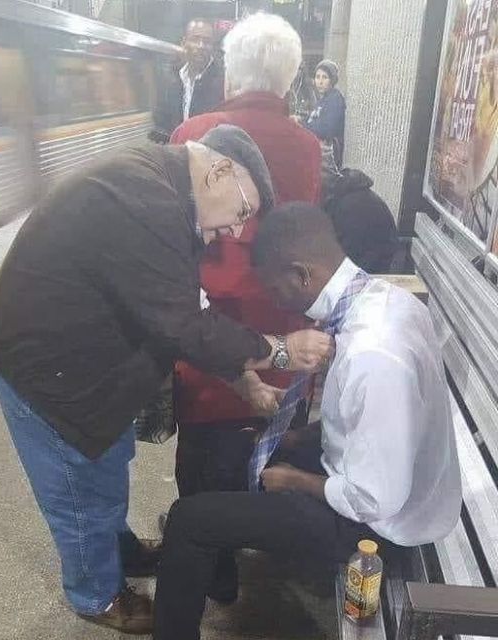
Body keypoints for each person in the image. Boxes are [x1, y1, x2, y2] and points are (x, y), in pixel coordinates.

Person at [0, 127, 332, 635]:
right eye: (241, 213)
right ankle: (95, 595)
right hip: (46, 370)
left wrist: (245, 382)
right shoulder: (144, 200)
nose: (236, 232)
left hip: (89, 360)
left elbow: (186, 308)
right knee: (78, 485)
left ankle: (117, 546)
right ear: (219, 171)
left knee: (109, 460)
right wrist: (278, 349)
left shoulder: (164, 191)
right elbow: (183, 325)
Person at [153, 203, 462, 640]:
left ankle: (188, 584)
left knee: (187, 519)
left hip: (377, 528)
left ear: (301, 275)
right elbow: (362, 421)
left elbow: (374, 499)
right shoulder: (382, 299)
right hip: (371, 475)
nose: (273, 301)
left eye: (273, 288)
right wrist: (298, 436)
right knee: (228, 449)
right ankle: (214, 572)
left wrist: (295, 480)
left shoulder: (372, 357)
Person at [169, 12, 322, 600]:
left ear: (231, 72)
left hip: (211, 328)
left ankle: (215, 567)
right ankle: (262, 544)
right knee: (267, 442)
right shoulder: (307, 145)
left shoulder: (193, 130)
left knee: (204, 451)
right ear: (288, 79)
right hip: (284, 335)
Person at [151, 19, 225, 141]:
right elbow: (161, 122)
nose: (201, 46)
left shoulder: (221, 81)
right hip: (175, 154)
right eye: (195, 39)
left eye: (207, 41)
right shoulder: (171, 79)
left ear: (213, 46)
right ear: (184, 42)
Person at [325, 175, 399, 273]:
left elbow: (350, 250)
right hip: (381, 256)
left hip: (370, 263)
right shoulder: (359, 196)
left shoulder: (349, 206)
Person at [305, 59, 346, 166]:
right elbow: (313, 121)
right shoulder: (321, 100)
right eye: (317, 77)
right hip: (319, 157)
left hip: (329, 161)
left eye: (325, 77)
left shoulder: (335, 99)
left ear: (332, 80)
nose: (320, 81)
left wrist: (303, 126)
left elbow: (327, 129)